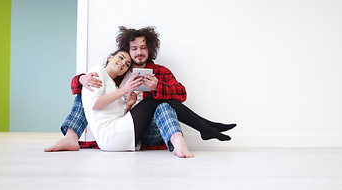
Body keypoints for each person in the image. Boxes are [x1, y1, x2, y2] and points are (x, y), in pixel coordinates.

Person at [44, 26, 236, 156]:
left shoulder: (160, 71)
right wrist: (81, 79)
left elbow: (181, 93)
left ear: (149, 49)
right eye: (133, 48)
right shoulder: (118, 72)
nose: (138, 53)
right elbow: (84, 92)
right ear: (125, 51)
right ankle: (71, 137)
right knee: (85, 89)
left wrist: (157, 87)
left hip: (153, 130)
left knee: (161, 102)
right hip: (122, 129)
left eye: (143, 48)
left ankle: (182, 140)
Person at [81, 50, 232, 155]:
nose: (123, 64)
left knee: (160, 99)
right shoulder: (97, 71)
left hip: (117, 135)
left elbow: (113, 114)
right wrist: (125, 90)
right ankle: (206, 127)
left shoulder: (114, 84)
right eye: (120, 58)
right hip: (111, 137)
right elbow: (93, 104)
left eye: (127, 64)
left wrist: (128, 105)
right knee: (155, 98)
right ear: (110, 58)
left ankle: (206, 128)